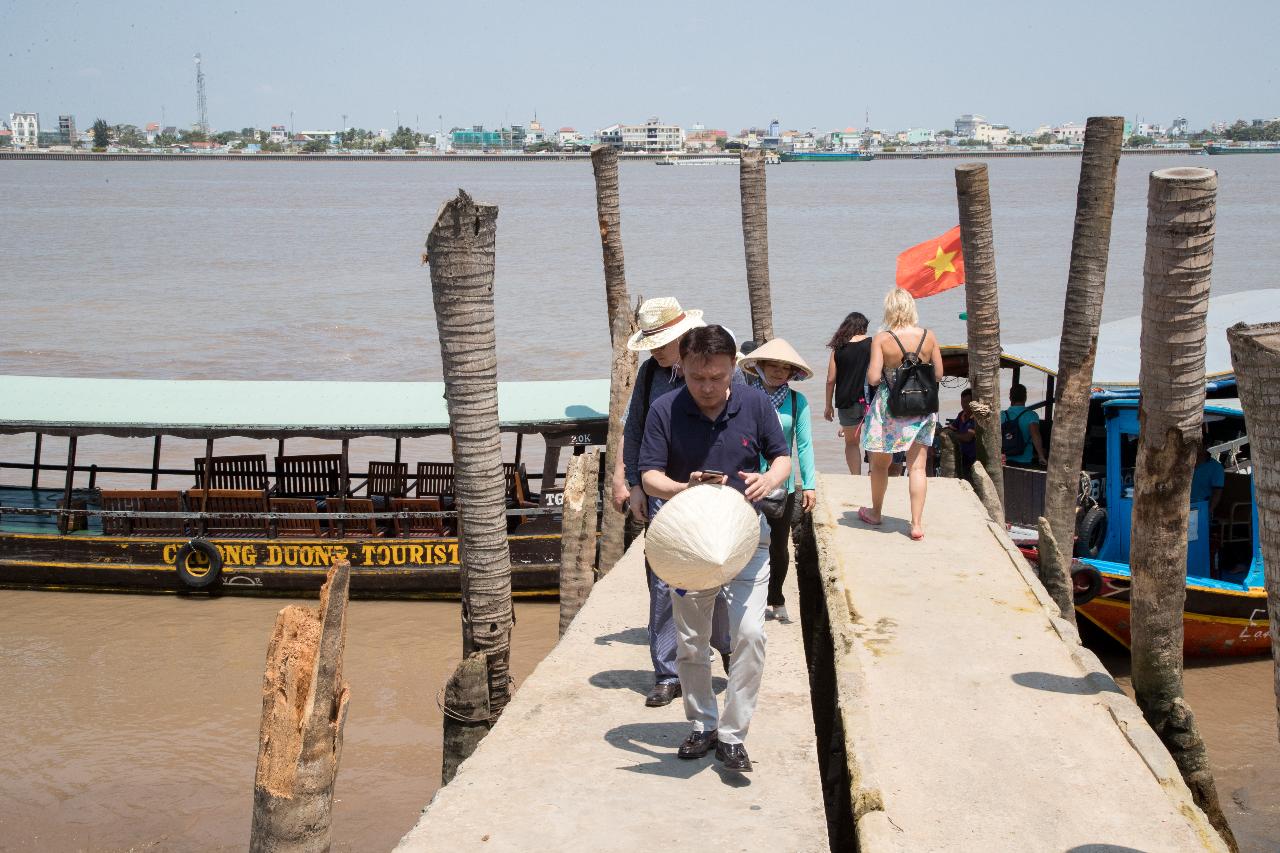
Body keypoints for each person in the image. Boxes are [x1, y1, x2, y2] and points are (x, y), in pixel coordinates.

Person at [639, 324, 791, 773]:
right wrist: (681, 487)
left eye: (718, 378)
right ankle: (703, 723)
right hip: (688, 544)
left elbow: (781, 456)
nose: (707, 387)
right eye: (697, 378)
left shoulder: (755, 401)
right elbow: (649, 474)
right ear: (682, 367)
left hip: (747, 537)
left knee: (750, 635)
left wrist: (771, 478)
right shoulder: (664, 410)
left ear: (733, 371)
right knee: (691, 640)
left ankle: (733, 733)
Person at [608, 296, 730, 708]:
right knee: (662, 581)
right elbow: (635, 429)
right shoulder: (648, 375)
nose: (657, 350)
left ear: (684, 336)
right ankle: (666, 671)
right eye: (652, 344)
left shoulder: (718, 364)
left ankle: (725, 644)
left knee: (718, 571)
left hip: (713, 490)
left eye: (662, 342)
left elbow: (742, 421)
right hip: (662, 488)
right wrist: (628, 481)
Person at [740, 338, 816, 624]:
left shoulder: (798, 402)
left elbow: (805, 445)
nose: (779, 372)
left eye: (786, 368)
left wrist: (809, 484)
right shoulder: (743, 396)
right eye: (773, 366)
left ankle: (776, 597)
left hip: (781, 486)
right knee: (744, 540)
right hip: (746, 481)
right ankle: (746, 595)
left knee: (778, 546)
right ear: (759, 366)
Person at [859, 288, 943, 541]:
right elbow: (938, 374)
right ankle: (916, 524)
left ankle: (875, 513)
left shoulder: (882, 339)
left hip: (891, 408)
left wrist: (890, 371)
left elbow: (873, 378)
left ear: (890, 310)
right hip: (922, 407)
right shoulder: (928, 336)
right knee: (917, 467)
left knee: (880, 465)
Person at [824, 312, 872, 475]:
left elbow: (831, 379)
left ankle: (856, 478)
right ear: (863, 328)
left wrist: (828, 405)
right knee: (873, 441)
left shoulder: (838, 349)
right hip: (870, 400)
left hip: (846, 402)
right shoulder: (872, 344)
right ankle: (874, 474)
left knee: (852, 443)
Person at [1001, 384, 1045, 468]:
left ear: (1010, 398)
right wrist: (1041, 456)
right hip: (1025, 459)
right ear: (1025, 398)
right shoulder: (1031, 415)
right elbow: (1035, 435)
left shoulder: (1002, 415)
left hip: (1005, 458)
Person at [1191, 428, 1225, 515]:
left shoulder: (1216, 468)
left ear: (1206, 446)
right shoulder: (1183, 464)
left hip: (1200, 507)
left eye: (1198, 445)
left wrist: (1209, 510)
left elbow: (1217, 492)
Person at [945, 389, 977, 477]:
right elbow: (951, 428)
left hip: (974, 457)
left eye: (967, 402)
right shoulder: (961, 415)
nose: (964, 405)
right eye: (962, 402)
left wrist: (952, 435)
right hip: (962, 456)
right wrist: (939, 431)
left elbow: (968, 437)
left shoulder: (977, 417)